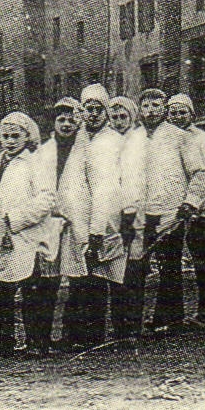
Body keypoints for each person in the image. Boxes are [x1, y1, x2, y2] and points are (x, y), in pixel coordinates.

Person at [0, 113, 63, 359]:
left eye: (15, 136)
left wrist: (17, 218)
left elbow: (47, 199)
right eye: (5, 136)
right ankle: (2, 342)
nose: (10, 141)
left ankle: (36, 342)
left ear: (26, 136)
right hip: (0, 235)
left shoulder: (35, 163)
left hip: (26, 235)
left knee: (32, 290)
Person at [139, 89, 205, 336]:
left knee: (170, 264)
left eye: (156, 106)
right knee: (138, 265)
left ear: (164, 108)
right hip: (141, 212)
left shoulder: (180, 137)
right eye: (146, 106)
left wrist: (190, 202)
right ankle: (134, 320)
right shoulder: (133, 138)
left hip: (172, 211)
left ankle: (171, 317)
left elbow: (199, 173)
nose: (151, 111)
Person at [40, 98, 99, 350]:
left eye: (71, 119)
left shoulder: (88, 151)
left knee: (78, 277)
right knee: (47, 278)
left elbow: (98, 186)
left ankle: (75, 335)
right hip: (50, 219)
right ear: (53, 123)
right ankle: (42, 338)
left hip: (79, 219)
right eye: (61, 119)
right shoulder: (44, 151)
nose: (66, 124)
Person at [78, 85, 129, 345]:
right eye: (89, 109)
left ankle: (121, 333)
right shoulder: (81, 140)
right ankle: (92, 333)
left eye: (99, 110)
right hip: (86, 216)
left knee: (113, 271)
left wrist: (98, 229)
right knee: (91, 276)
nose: (94, 115)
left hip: (108, 216)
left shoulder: (110, 142)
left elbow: (106, 186)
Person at [168, 93, 205, 328]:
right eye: (174, 112)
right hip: (171, 212)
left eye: (183, 112)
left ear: (191, 115)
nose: (178, 117)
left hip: (195, 210)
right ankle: (172, 315)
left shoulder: (200, 139)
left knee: (202, 259)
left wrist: (201, 208)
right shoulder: (165, 138)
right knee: (171, 263)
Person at [110, 95, 151, 340]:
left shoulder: (138, 141)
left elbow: (135, 180)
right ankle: (119, 326)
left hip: (134, 212)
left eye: (123, 117)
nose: (118, 121)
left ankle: (132, 324)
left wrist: (131, 214)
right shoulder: (111, 140)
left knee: (134, 268)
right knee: (116, 268)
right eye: (114, 117)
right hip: (114, 212)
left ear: (132, 117)